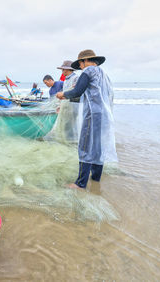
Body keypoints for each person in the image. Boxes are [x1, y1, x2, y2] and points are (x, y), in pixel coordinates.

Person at [56, 49, 117, 190]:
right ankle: (95, 178)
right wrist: (69, 96)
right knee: (97, 146)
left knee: (85, 145)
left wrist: (63, 94)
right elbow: (90, 94)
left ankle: (80, 183)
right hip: (104, 115)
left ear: (84, 61)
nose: (81, 67)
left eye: (81, 64)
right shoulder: (103, 74)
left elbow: (77, 91)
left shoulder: (88, 71)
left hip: (92, 114)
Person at [54, 60, 80, 141]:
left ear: (67, 69)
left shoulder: (76, 78)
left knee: (71, 126)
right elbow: (64, 95)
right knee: (65, 126)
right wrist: (60, 106)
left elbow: (76, 93)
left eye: (63, 69)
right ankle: (67, 142)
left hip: (73, 107)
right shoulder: (65, 80)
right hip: (66, 107)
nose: (62, 71)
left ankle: (73, 143)